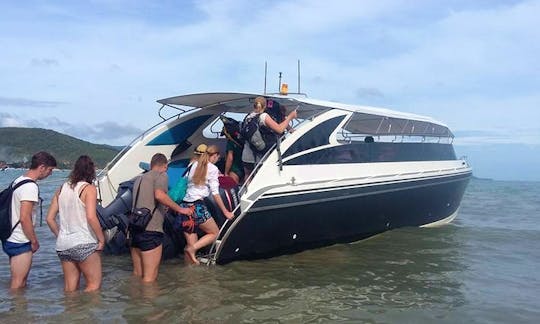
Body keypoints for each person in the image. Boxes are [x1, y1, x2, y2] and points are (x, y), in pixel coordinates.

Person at [46, 155, 105, 292]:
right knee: (93, 286)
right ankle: (88, 313)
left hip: (63, 245)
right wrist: (101, 239)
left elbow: (49, 218)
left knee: (70, 289)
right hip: (84, 242)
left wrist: (60, 234)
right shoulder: (89, 189)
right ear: (91, 171)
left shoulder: (61, 189)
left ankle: (71, 312)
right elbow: (91, 217)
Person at [130, 153, 193, 282]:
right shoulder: (161, 175)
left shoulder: (139, 179)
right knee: (150, 279)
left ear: (151, 164)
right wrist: (181, 209)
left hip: (133, 229)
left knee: (137, 274)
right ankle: (148, 302)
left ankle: (135, 300)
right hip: (151, 230)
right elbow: (159, 195)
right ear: (165, 166)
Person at [2, 151, 57, 289]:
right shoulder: (30, 186)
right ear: (42, 167)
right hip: (20, 239)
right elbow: (25, 217)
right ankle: (18, 309)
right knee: (18, 283)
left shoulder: (18, 180)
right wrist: (34, 241)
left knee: (17, 281)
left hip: (9, 236)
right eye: (50, 170)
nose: (50, 173)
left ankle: (17, 307)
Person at [180, 145, 234, 265]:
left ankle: (189, 278)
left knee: (191, 244)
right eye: (217, 158)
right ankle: (192, 250)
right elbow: (215, 193)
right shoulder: (213, 169)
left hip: (185, 206)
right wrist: (225, 212)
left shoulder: (193, 164)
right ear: (214, 156)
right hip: (197, 206)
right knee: (214, 233)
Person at [241, 96, 297, 177]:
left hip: (246, 156)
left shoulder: (248, 116)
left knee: (248, 177)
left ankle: (246, 190)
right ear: (265, 106)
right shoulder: (264, 116)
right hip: (260, 158)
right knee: (261, 179)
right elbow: (280, 129)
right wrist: (290, 117)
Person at [221, 117, 244, 184]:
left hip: (235, 169)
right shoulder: (242, 141)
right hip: (244, 166)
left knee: (234, 187)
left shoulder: (230, 143)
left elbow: (230, 158)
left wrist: (226, 172)